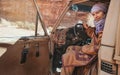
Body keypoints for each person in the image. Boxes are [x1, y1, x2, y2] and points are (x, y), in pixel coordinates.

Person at [60, 2, 108, 75]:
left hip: (95, 54)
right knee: (70, 48)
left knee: (67, 57)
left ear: (104, 12)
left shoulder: (106, 27)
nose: (95, 16)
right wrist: (87, 29)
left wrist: (84, 49)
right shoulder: (100, 25)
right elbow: (94, 35)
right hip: (92, 49)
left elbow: (99, 47)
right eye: (93, 14)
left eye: (98, 13)